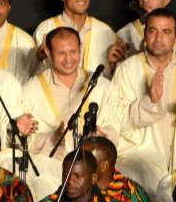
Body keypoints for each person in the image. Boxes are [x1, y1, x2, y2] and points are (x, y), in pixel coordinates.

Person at [109, 7, 176, 194]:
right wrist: (149, 101)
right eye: (152, 31)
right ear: (144, 35)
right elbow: (115, 118)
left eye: (166, 32)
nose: (158, 37)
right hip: (139, 156)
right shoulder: (127, 70)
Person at [22, 26, 113, 161]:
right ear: (48, 52)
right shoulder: (31, 89)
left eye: (73, 52)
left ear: (80, 48)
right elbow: (25, 140)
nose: (68, 59)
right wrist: (53, 138)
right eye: (61, 53)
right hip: (50, 167)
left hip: (94, 162)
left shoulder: (101, 84)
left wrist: (102, 137)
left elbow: (116, 124)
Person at [32, 0, 117, 75]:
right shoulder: (46, 28)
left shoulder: (105, 31)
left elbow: (111, 78)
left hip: (95, 90)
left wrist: (113, 66)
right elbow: (33, 74)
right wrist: (39, 58)